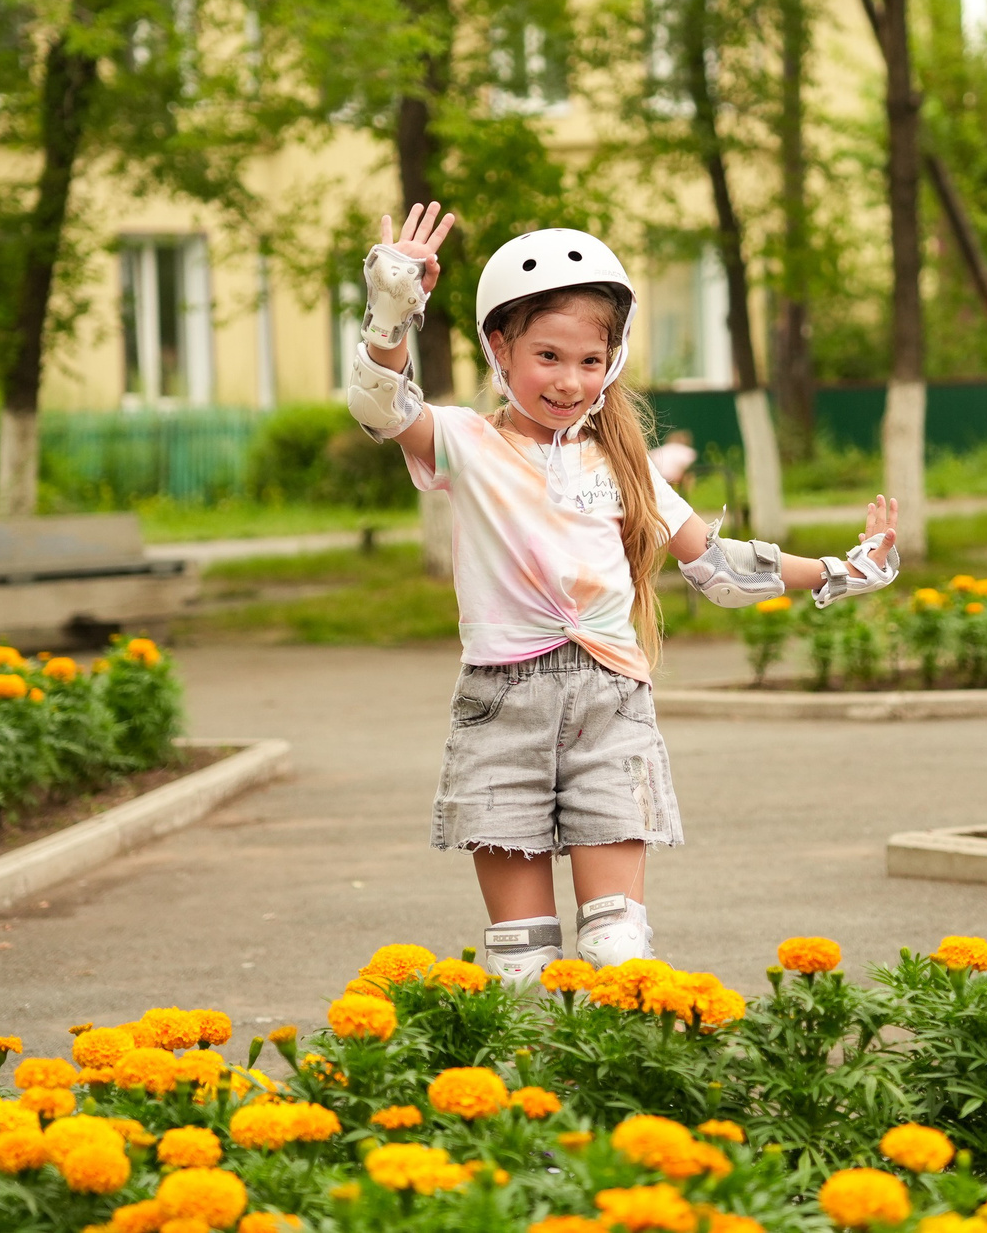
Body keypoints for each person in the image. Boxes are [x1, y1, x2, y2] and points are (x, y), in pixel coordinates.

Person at [346, 204, 900, 982]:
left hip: (610, 707)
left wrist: (846, 569)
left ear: (614, 359)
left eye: (589, 360)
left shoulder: (624, 466)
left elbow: (721, 569)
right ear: (498, 347)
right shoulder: (466, 444)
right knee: (523, 965)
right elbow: (380, 406)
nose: (569, 381)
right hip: (501, 706)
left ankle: (625, 1092)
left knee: (616, 946)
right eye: (547, 355)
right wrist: (392, 306)